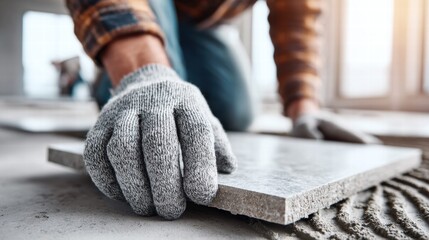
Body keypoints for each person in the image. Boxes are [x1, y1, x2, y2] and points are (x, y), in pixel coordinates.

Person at [66, 0, 379, 220]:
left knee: (235, 114)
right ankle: (115, 69)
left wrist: (304, 105)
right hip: (144, 5)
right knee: (156, 105)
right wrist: (141, 71)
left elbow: (297, 16)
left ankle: (172, 56)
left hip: (202, 21)